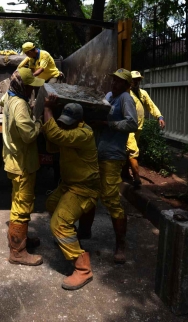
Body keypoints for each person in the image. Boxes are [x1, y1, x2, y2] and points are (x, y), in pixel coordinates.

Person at [43, 98, 101, 290]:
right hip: (69, 184)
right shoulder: (69, 130)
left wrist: (47, 108)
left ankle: (83, 269)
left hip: (84, 188)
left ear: (79, 120)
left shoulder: (84, 133)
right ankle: (68, 237)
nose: (65, 125)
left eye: (69, 122)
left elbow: (55, 135)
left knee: (58, 224)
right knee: (51, 204)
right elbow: (53, 141)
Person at [83, 68, 138, 264]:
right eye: (113, 80)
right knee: (90, 192)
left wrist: (109, 125)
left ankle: (120, 245)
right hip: (98, 152)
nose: (113, 84)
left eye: (118, 82)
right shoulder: (108, 96)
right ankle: (85, 232)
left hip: (112, 155)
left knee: (111, 198)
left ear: (126, 85)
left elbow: (132, 124)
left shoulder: (125, 99)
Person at [2, 67, 45, 266]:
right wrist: (38, 122)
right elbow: (28, 134)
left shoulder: (9, 97)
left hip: (14, 161)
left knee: (18, 201)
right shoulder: (19, 104)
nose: (32, 92)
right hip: (23, 163)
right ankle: (17, 252)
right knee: (22, 206)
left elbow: (3, 100)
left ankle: (22, 238)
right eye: (30, 88)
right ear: (22, 86)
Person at [124, 71, 166, 187]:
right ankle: (136, 178)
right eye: (134, 79)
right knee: (133, 150)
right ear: (129, 81)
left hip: (139, 127)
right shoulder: (126, 94)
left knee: (128, 151)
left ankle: (125, 172)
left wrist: (159, 116)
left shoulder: (143, 93)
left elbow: (151, 105)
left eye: (138, 80)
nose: (136, 81)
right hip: (128, 128)